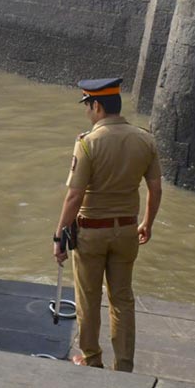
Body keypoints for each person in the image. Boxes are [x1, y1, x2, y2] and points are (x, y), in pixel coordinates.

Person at [54, 77, 162, 372]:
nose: (87, 113)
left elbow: (74, 195)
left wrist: (58, 234)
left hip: (91, 232)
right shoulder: (145, 140)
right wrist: (146, 223)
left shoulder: (88, 144)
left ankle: (91, 358)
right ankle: (124, 364)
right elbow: (155, 188)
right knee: (122, 298)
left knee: (88, 298)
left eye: (88, 106)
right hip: (127, 229)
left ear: (97, 105)